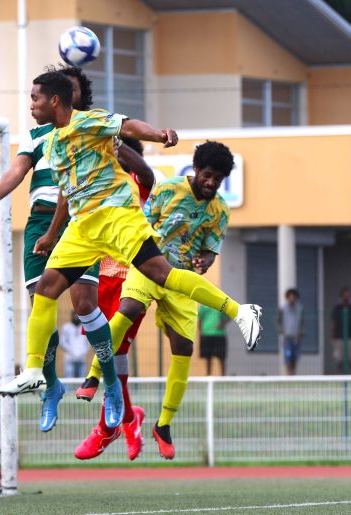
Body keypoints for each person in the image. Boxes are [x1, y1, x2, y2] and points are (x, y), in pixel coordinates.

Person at [0, 72, 261, 434]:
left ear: (54, 101)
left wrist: (158, 134)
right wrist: (48, 230)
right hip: (82, 227)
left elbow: (128, 125)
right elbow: (67, 190)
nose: (30, 105)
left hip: (117, 215)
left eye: (35, 98)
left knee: (161, 274)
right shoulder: (52, 143)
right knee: (45, 291)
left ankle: (240, 312)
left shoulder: (89, 120)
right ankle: (34, 374)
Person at [0, 65, 150, 433]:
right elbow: (15, 172)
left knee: (84, 305)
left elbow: (117, 163)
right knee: (39, 305)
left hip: (80, 222)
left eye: (75, 91)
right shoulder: (37, 136)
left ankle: (110, 383)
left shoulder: (91, 130)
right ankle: (50, 386)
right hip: (38, 222)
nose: (67, 96)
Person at [72, 141, 234, 462]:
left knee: (176, 347)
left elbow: (209, 247)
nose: (212, 183)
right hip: (118, 272)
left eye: (218, 178)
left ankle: (133, 423)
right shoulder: (90, 185)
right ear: (197, 169)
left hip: (163, 273)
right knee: (118, 333)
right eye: (208, 175)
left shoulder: (151, 183)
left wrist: (204, 261)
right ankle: (121, 417)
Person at [71, 137, 153, 462]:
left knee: (115, 350)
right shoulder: (94, 185)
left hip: (131, 279)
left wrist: (121, 148)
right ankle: (130, 419)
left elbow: (148, 176)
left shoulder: (135, 183)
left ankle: (108, 427)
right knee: (110, 355)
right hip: (98, 280)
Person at [331, 287, 351, 374]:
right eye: (344, 296)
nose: (346, 297)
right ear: (341, 297)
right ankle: (340, 376)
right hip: (339, 336)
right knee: (339, 359)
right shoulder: (337, 308)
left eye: (348, 296)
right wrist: (333, 335)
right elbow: (333, 322)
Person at [278, 288, 304, 375]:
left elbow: (302, 322)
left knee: (295, 357)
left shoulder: (300, 309)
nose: (292, 298)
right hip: (287, 337)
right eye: (290, 297)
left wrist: (300, 334)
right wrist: (282, 330)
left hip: (296, 337)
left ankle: (293, 374)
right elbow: (278, 321)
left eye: (294, 297)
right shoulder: (283, 308)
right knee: (288, 356)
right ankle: (288, 374)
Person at [199, 304, 230, 376]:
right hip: (206, 334)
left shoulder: (221, 304)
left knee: (221, 357)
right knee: (208, 357)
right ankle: (208, 375)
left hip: (219, 334)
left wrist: (222, 324)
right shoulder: (204, 305)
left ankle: (223, 376)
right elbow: (200, 319)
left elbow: (229, 316)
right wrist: (201, 333)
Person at [59, 312, 90, 378]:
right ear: (71, 316)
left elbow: (88, 342)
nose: (76, 317)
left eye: (77, 315)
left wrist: (83, 351)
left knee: (82, 382)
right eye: (74, 315)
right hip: (70, 359)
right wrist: (71, 351)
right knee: (69, 381)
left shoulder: (84, 327)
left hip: (81, 359)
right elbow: (62, 342)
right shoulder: (66, 327)